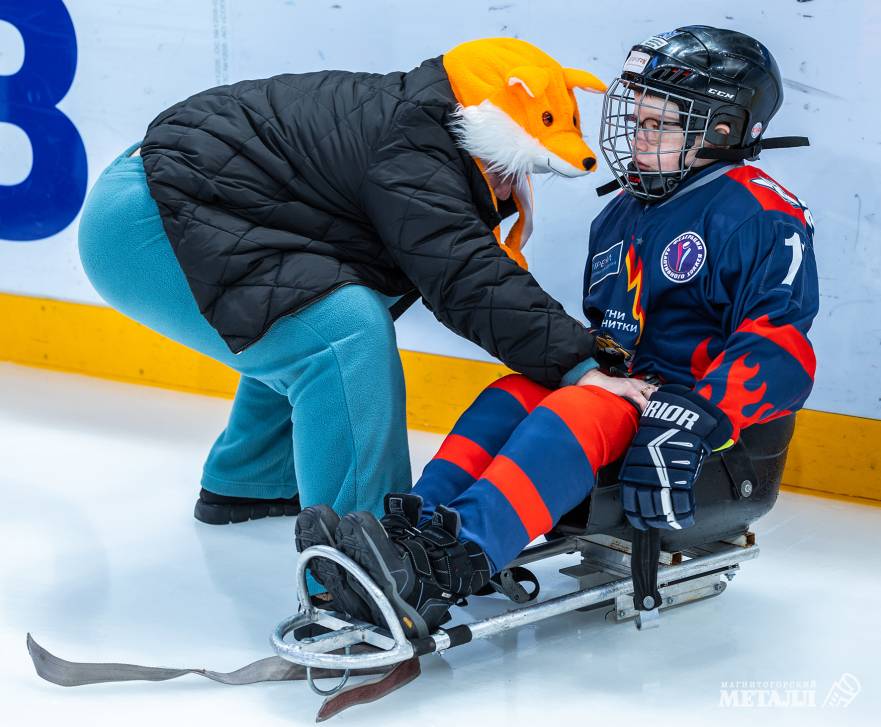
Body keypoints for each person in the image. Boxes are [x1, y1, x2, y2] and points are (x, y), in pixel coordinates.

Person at [296, 25, 820, 638]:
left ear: (723, 131)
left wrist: (702, 415)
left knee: (578, 408)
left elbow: (781, 343)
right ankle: (407, 534)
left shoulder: (760, 211)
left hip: (703, 431)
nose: (639, 135)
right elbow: (611, 335)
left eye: (661, 124)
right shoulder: (622, 212)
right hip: (628, 397)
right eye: (640, 119)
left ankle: (454, 557)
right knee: (511, 394)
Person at [77, 38, 611, 537]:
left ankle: (254, 476)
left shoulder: (423, 124)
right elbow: (467, 275)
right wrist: (581, 365)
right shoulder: (415, 151)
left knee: (309, 307)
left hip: (190, 192)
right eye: (515, 164)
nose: (514, 184)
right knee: (343, 332)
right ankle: (365, 552)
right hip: (146, 218)